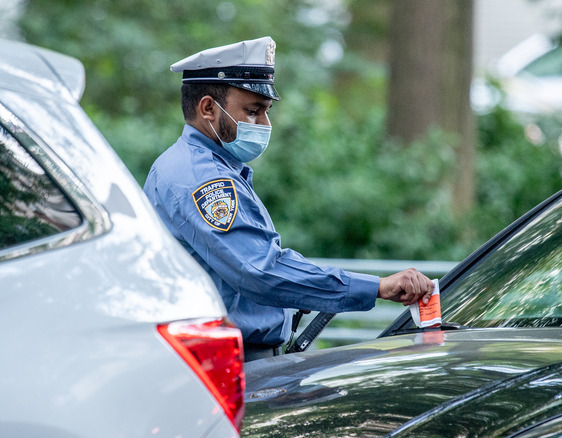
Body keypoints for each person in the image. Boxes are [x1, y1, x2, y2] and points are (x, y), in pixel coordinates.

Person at [143, 36, 434, 361]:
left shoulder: (197, 166)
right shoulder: (204, 180)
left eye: (266, 112)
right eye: (253, 111)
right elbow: (260, 272)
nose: (265, 124)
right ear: (208, 108)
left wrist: (306, 286)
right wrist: (376, 287)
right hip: (228, 362)